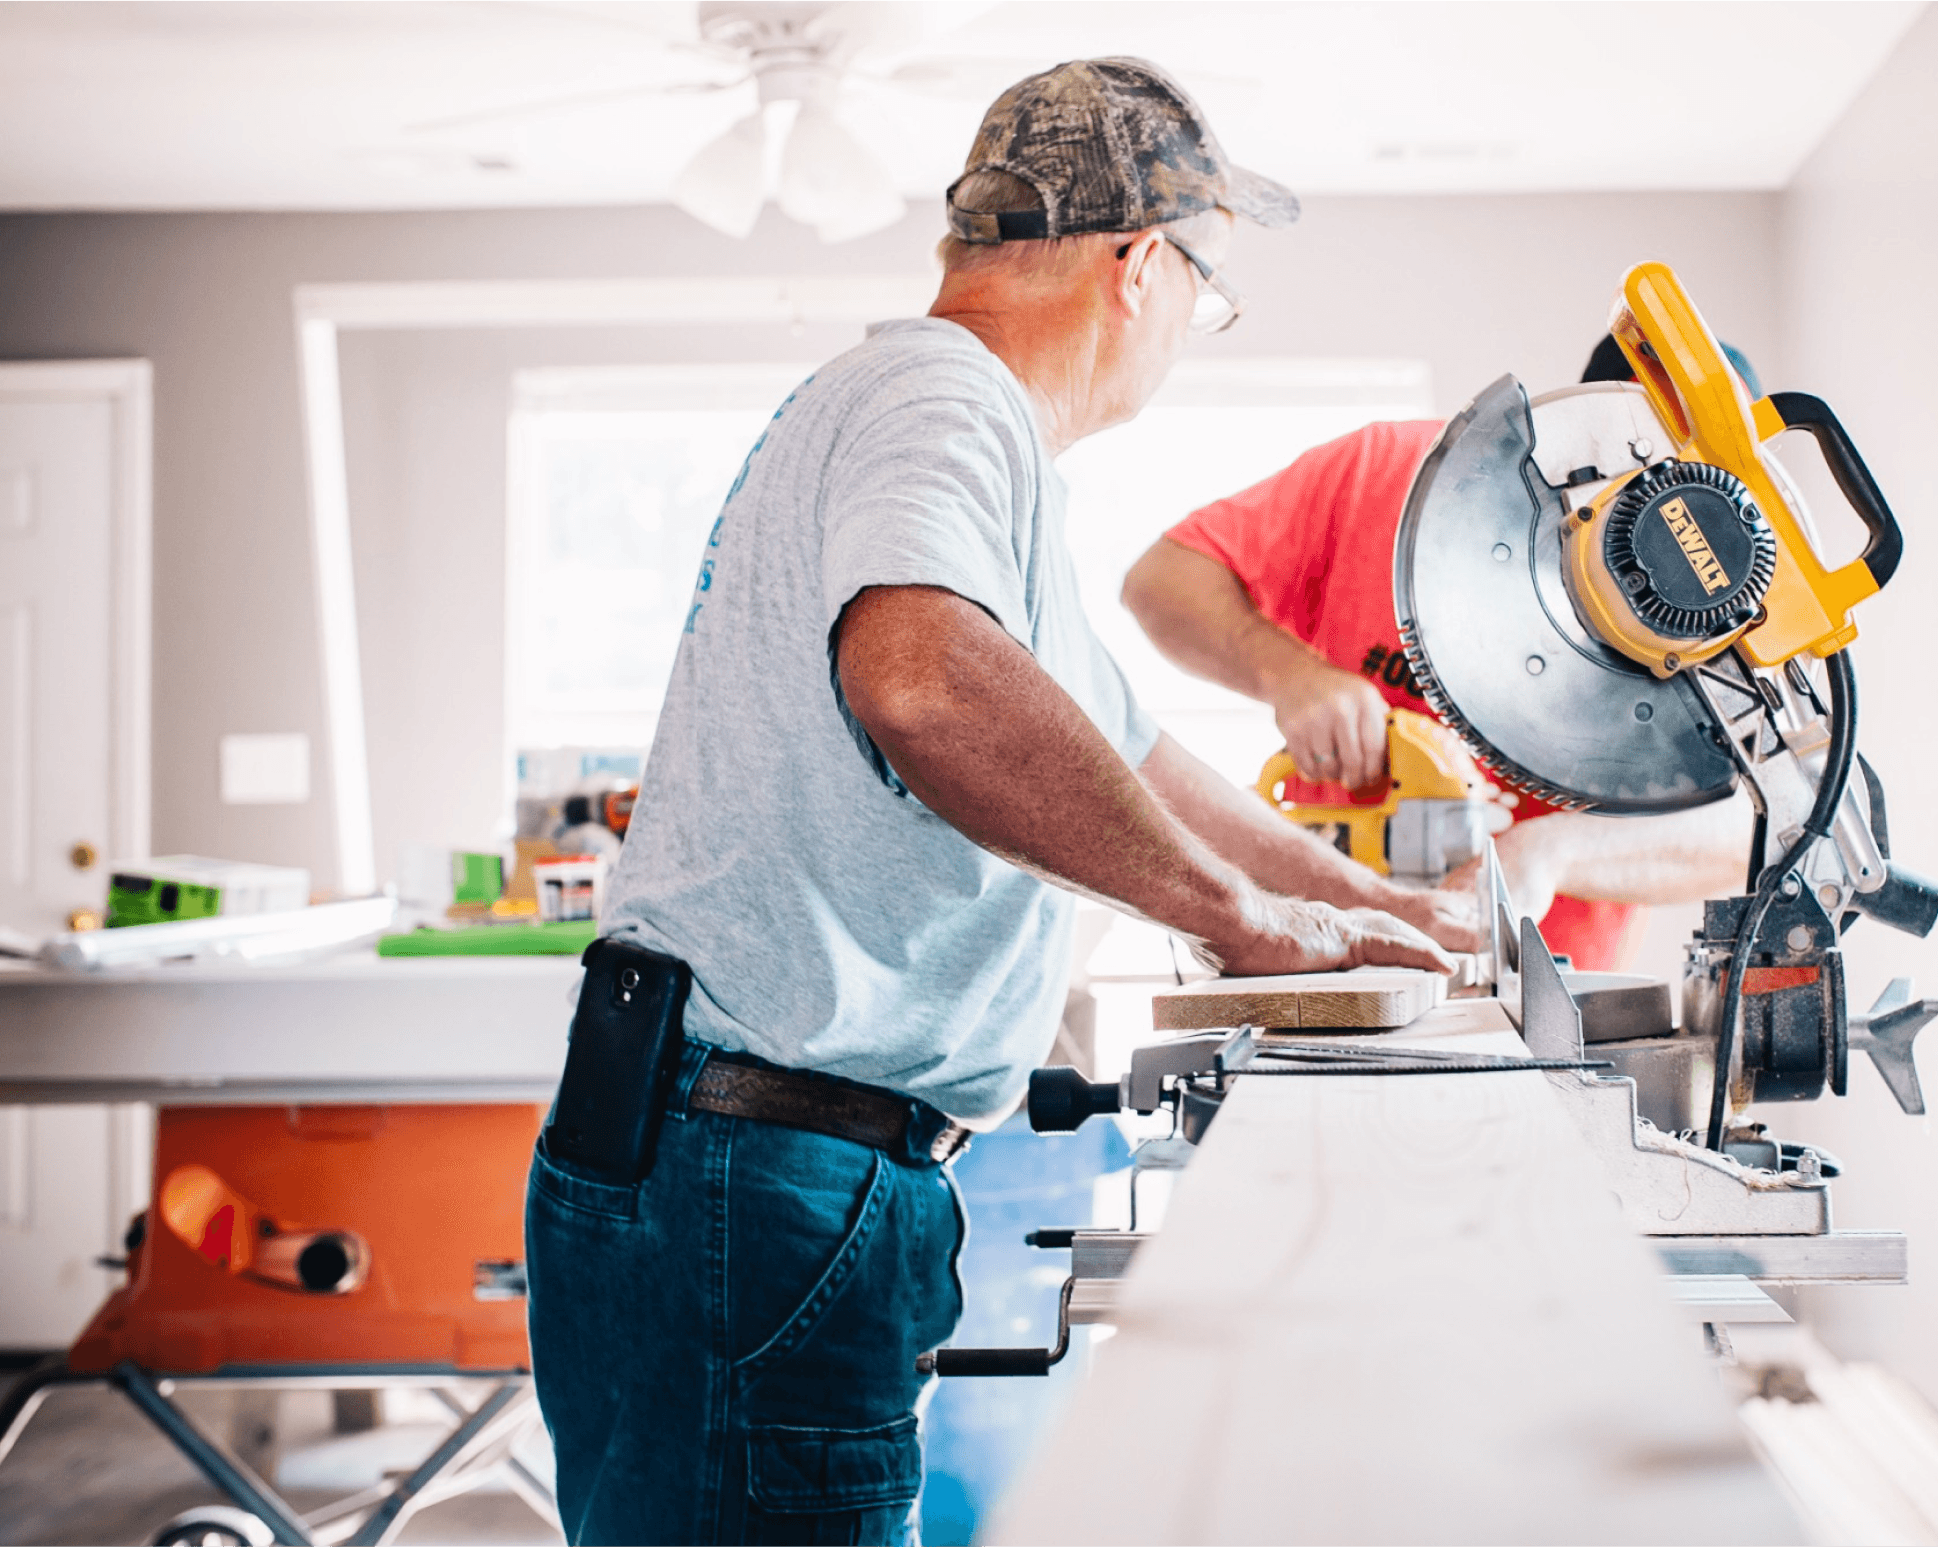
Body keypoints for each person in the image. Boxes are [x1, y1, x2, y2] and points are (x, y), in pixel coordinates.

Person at [523, 59, 1473, 1547]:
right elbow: (923, 682)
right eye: (1204, 294)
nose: (1185, 334)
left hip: (747, 1157)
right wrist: (1236, 922)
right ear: (1142, 265)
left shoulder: (955, 440)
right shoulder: (940, 393)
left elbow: (1133, 749)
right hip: (756, 1169)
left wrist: (1360, 905)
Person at [1121, 337, 1769, 969]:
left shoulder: (1722, 616)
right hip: (1323, 952)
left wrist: (1552, 851)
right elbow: (1161, 581)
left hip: (1548, 996)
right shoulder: (1389, 474)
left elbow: (1760, 827)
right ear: (1579, 418)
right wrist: (1289, 674)